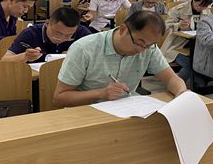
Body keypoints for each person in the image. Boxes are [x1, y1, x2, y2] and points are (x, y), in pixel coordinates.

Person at [53, 11, 187, 107]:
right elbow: (59, 98)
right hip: (85, 111)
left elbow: (171, 79)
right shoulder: (84, 48)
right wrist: (101, 94)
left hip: (125, 108)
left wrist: (182, 94)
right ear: (123, 29)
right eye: (139, 43)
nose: (141, 50)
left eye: (148, 46)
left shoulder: (149, 48)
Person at [3, 7, 91, 64]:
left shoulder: (82, 33)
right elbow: (4, 61)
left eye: (69, 35)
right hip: (37, 80)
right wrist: (25, 56)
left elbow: (96, 57)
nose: (61, 38)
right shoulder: (30, 33)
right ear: (47, 23)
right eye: (58, 33)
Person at [160, 0, 213, 81]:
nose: (202, 8)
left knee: (208, 61)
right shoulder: (178, 9)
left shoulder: (206, 11)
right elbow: (165, 27)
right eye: (200, 5)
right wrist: (178, 25)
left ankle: (198, 84)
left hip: (198, 46)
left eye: (205, 6)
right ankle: (175, 84)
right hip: (177, 46)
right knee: (191, 64)